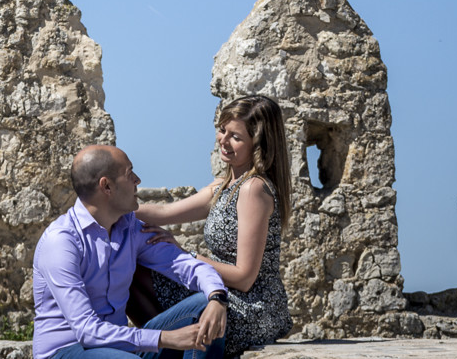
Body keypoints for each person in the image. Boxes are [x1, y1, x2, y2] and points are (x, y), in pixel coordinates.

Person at [33, 144, 231, 359]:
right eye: (129, 174)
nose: (138, 180)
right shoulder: (62, 242)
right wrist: (166, 338)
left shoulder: (130, 227)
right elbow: (87, 332)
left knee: (204, 306)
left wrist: (216, 296)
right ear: (106, 186)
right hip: (67, 350)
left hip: (120, 347)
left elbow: (182, 263)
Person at [135, 95, 294, 353]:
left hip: (251, 307)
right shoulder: (223, 186)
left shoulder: (254, 189)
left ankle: (155, 349)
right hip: (222, 291)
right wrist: (113, 207)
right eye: (222, 130)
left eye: (236, 137)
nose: (223, 140)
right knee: (135, 269)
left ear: (258, 144)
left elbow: (244, 278)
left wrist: (186, 256)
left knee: (203, 304)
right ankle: (164, 349)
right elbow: (164, 212)